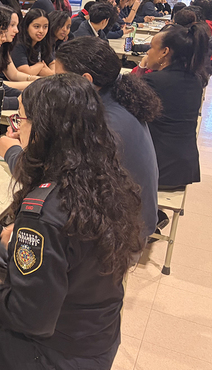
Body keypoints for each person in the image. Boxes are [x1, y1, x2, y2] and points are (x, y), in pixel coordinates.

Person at [0, 75, 143, 370]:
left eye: (20, 119)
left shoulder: (44, 211)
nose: (16, 127)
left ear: (45, 130)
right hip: (93, 337)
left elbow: (31, 317)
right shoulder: (101, 176)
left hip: (62, 359)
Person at [53, 39, 160, 248]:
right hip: (134, 219)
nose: (57, 85)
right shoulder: (119, 97)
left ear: (85, 80)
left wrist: (15, 153)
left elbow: (60, 174)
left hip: (124, 234)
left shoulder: (105, 124)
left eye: (61, 78)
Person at [132, 23, 211, 188]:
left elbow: (127, 110)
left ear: (165, 52)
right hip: (184, 166)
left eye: (151, 47)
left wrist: (141, 68)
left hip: (158, 167)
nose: (148, 52)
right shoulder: (195, 79)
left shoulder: (153, 82)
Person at [0, 9, 40, 85]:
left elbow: (14, 74)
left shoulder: (3, 46)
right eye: (12, 25)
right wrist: (35, 84)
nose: (16, 30)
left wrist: (38, 80)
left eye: (17, 26)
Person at [12, 8, 54, 76]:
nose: (41, 31)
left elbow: (53, 63)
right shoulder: (18, 44)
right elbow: (25, 72)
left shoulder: (43, 42)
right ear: (26, 26)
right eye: (37, 26)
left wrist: (51, 73)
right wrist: (40, 65)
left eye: (45, 27)